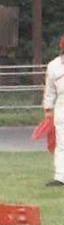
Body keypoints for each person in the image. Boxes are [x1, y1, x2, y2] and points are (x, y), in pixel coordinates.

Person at [43, 34, 64, 186]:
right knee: (62, 145)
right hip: (61, 109)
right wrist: (48, 109)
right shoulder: (53, 66)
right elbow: (49, 90)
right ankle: (60, 177)